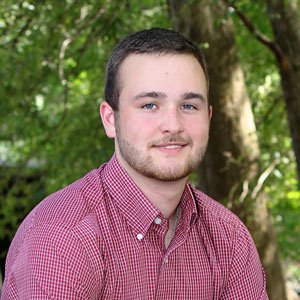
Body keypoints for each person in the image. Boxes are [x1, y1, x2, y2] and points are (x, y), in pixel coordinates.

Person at [1, 28, 268, 299]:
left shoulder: (230, 239)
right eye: (150, 105)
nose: (173, 125)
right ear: (110, 119)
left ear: (208, 117)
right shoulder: (62, 238)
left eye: (188, 106)